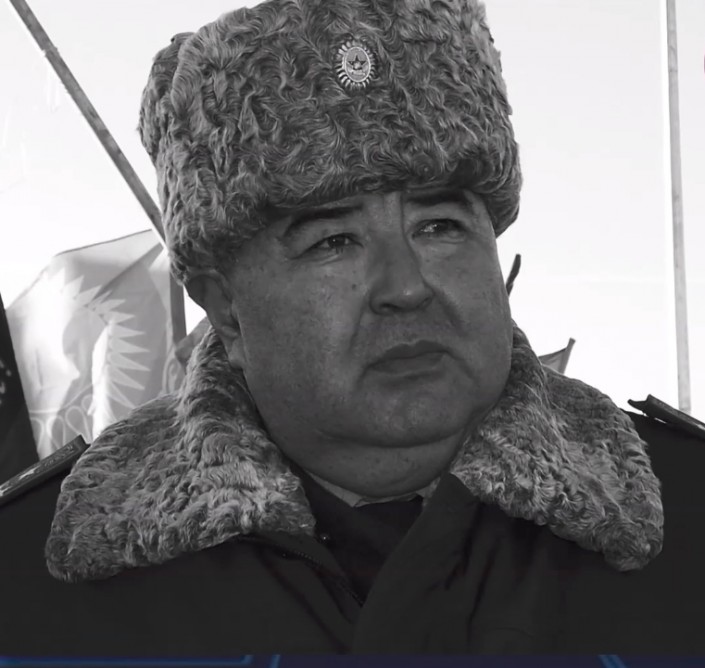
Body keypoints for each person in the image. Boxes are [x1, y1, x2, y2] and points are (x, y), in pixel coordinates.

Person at [1, 0, 704, 656]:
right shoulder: (29, 588)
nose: (406, 287)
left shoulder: (691, 513)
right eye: (332, 242)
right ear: (226, 310)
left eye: (439, 226)